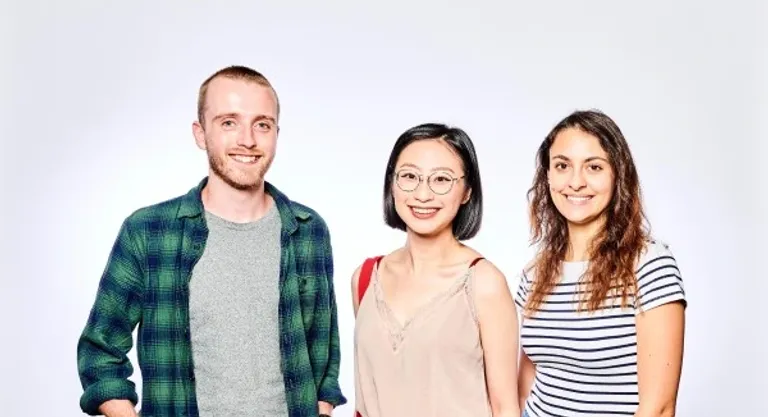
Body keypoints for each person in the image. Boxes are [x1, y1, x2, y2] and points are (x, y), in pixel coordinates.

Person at [76, 65, 346, 417]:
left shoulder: (308, 230)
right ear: (201, 133)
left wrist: (322, 408)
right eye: (229, 122)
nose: (247, 140)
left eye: (262, 124)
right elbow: (99, 351)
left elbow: (323, 354)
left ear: (276, 133)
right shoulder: (148, 232)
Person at [516, 110, 687, 417]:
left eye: (593, 167)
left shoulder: (649, 264)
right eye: (562, 166)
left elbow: (659, 408)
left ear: (617, 174)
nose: (576, 182)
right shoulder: (536, 272)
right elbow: (528, 381)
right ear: (548, 175)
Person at [351, 123, 521, 417]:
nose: (423, 194)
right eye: (409, 176)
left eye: (441, 179)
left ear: (467, 191)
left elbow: (506, 408)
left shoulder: (484, 283)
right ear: (392, 183)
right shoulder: (365, 277)